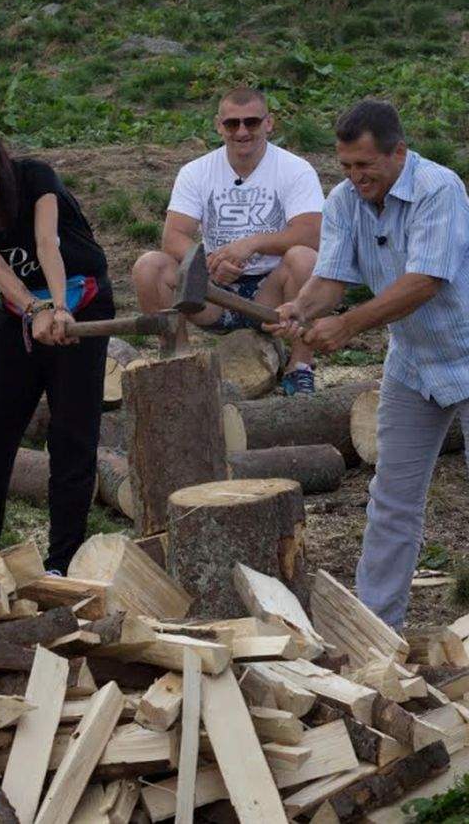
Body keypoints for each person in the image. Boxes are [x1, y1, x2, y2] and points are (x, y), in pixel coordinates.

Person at [266, 99, 469, 630]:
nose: (356, 178)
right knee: (392, 498)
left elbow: (426, 280)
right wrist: (301, 308)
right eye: (347, 167)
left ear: (398, 151)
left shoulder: (439, 189)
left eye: (366, 166)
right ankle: (377, 628)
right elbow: (331, 276)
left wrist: (350, 324)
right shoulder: (344, 200)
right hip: (414, 363)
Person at [0, 108, 114, 574]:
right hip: (19, 314)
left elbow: (47, 243)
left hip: (83, 302)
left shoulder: (34, 176)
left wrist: (59, 309)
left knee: (73, 433)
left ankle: (62, 562)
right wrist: (34, 311)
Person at [132, 86, 324, 394]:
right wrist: (207, 263)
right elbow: (174, 237)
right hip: (214, 291)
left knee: (305, 257)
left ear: (269, 123)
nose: (242, 131)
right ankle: (178, 364)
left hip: (272, 293)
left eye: (252, 122)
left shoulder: (296, 170)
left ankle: (300, 366)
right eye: (232, 123)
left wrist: (251, 244)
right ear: (218, 126)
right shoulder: (196, 171)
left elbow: (311, 233)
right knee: (149, 266)